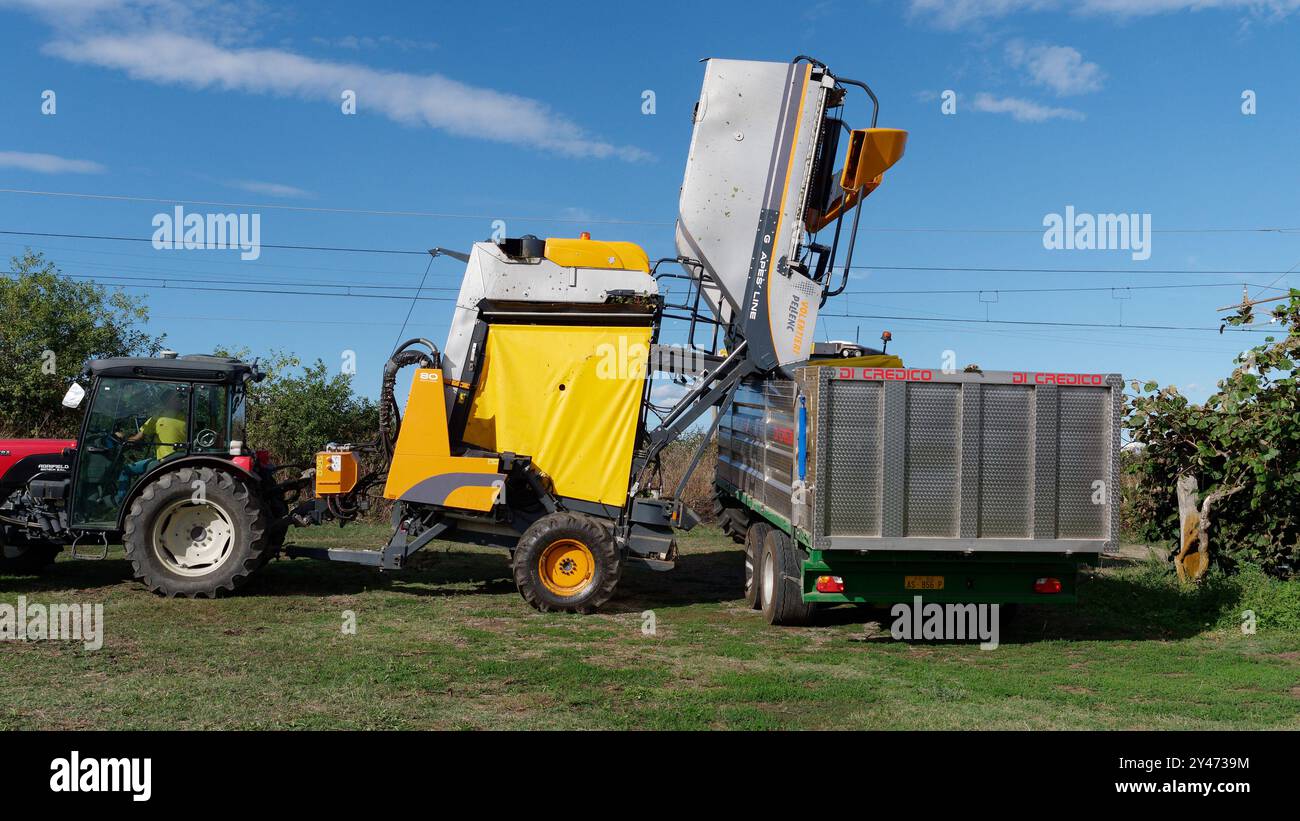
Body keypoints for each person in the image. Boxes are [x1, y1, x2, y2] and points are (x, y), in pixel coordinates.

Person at [117, 389, 188, 498]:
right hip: (178, 459)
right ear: (168, 401)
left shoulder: (162, 416)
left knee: (126, 470)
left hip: (165, 461)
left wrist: (122, 440)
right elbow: (139, 437)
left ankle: (121, 502)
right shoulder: (185, 417)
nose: (181, 400)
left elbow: (138, 437)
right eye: (177, 398)